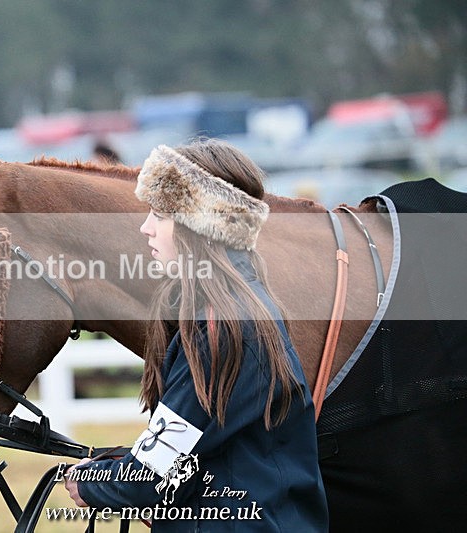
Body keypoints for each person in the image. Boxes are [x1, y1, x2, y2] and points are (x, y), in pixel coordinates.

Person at [64, 139, 328, 531]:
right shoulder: (243, 308)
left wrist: (91, 483)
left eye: (160, 214)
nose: (146, 228)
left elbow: (151, 478)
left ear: (198, 226)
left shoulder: (222, 330)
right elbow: (194, 453)